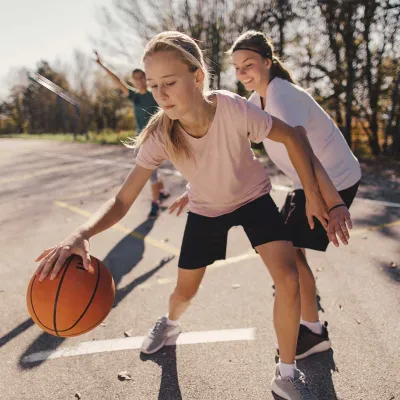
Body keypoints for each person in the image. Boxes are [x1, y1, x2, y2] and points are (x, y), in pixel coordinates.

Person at [36, 31, 353, 400]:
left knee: (287, 277)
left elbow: (294, 137)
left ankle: (286, 373)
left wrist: (315, 197)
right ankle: (170, 324)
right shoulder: (160, 136)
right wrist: (83, 233)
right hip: (206, 209)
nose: (160, 94)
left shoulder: (234, 108)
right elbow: (123, 199)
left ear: (198, 76)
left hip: (253, 199)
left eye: (169, 83)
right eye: (153, 85)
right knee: (184, 291)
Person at [170, 30, 361, 362]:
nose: (243, 73)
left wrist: (332, 202)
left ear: (268, 63)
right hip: (310, 182)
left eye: (249, 65)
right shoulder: (253, 101)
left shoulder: (281, 96)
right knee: (291, 253)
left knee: (292, 257)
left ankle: (312, 331)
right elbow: (229, 150)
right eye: (237, 67)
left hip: (331, 180)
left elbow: (307, 153)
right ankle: (303, 303)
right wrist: (195, 189)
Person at [94, 50, 169, 218]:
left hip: (156, 139)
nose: (139, 80)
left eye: (142, 77)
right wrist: (102, 64)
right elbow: (117, 81)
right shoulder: (134, 96)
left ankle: (156, 204)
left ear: (146, 78)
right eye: (135, 78)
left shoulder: (154, 94)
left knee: (152, 173)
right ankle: (162, 192)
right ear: (133, 81)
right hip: (143, 139)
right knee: (154, 170)